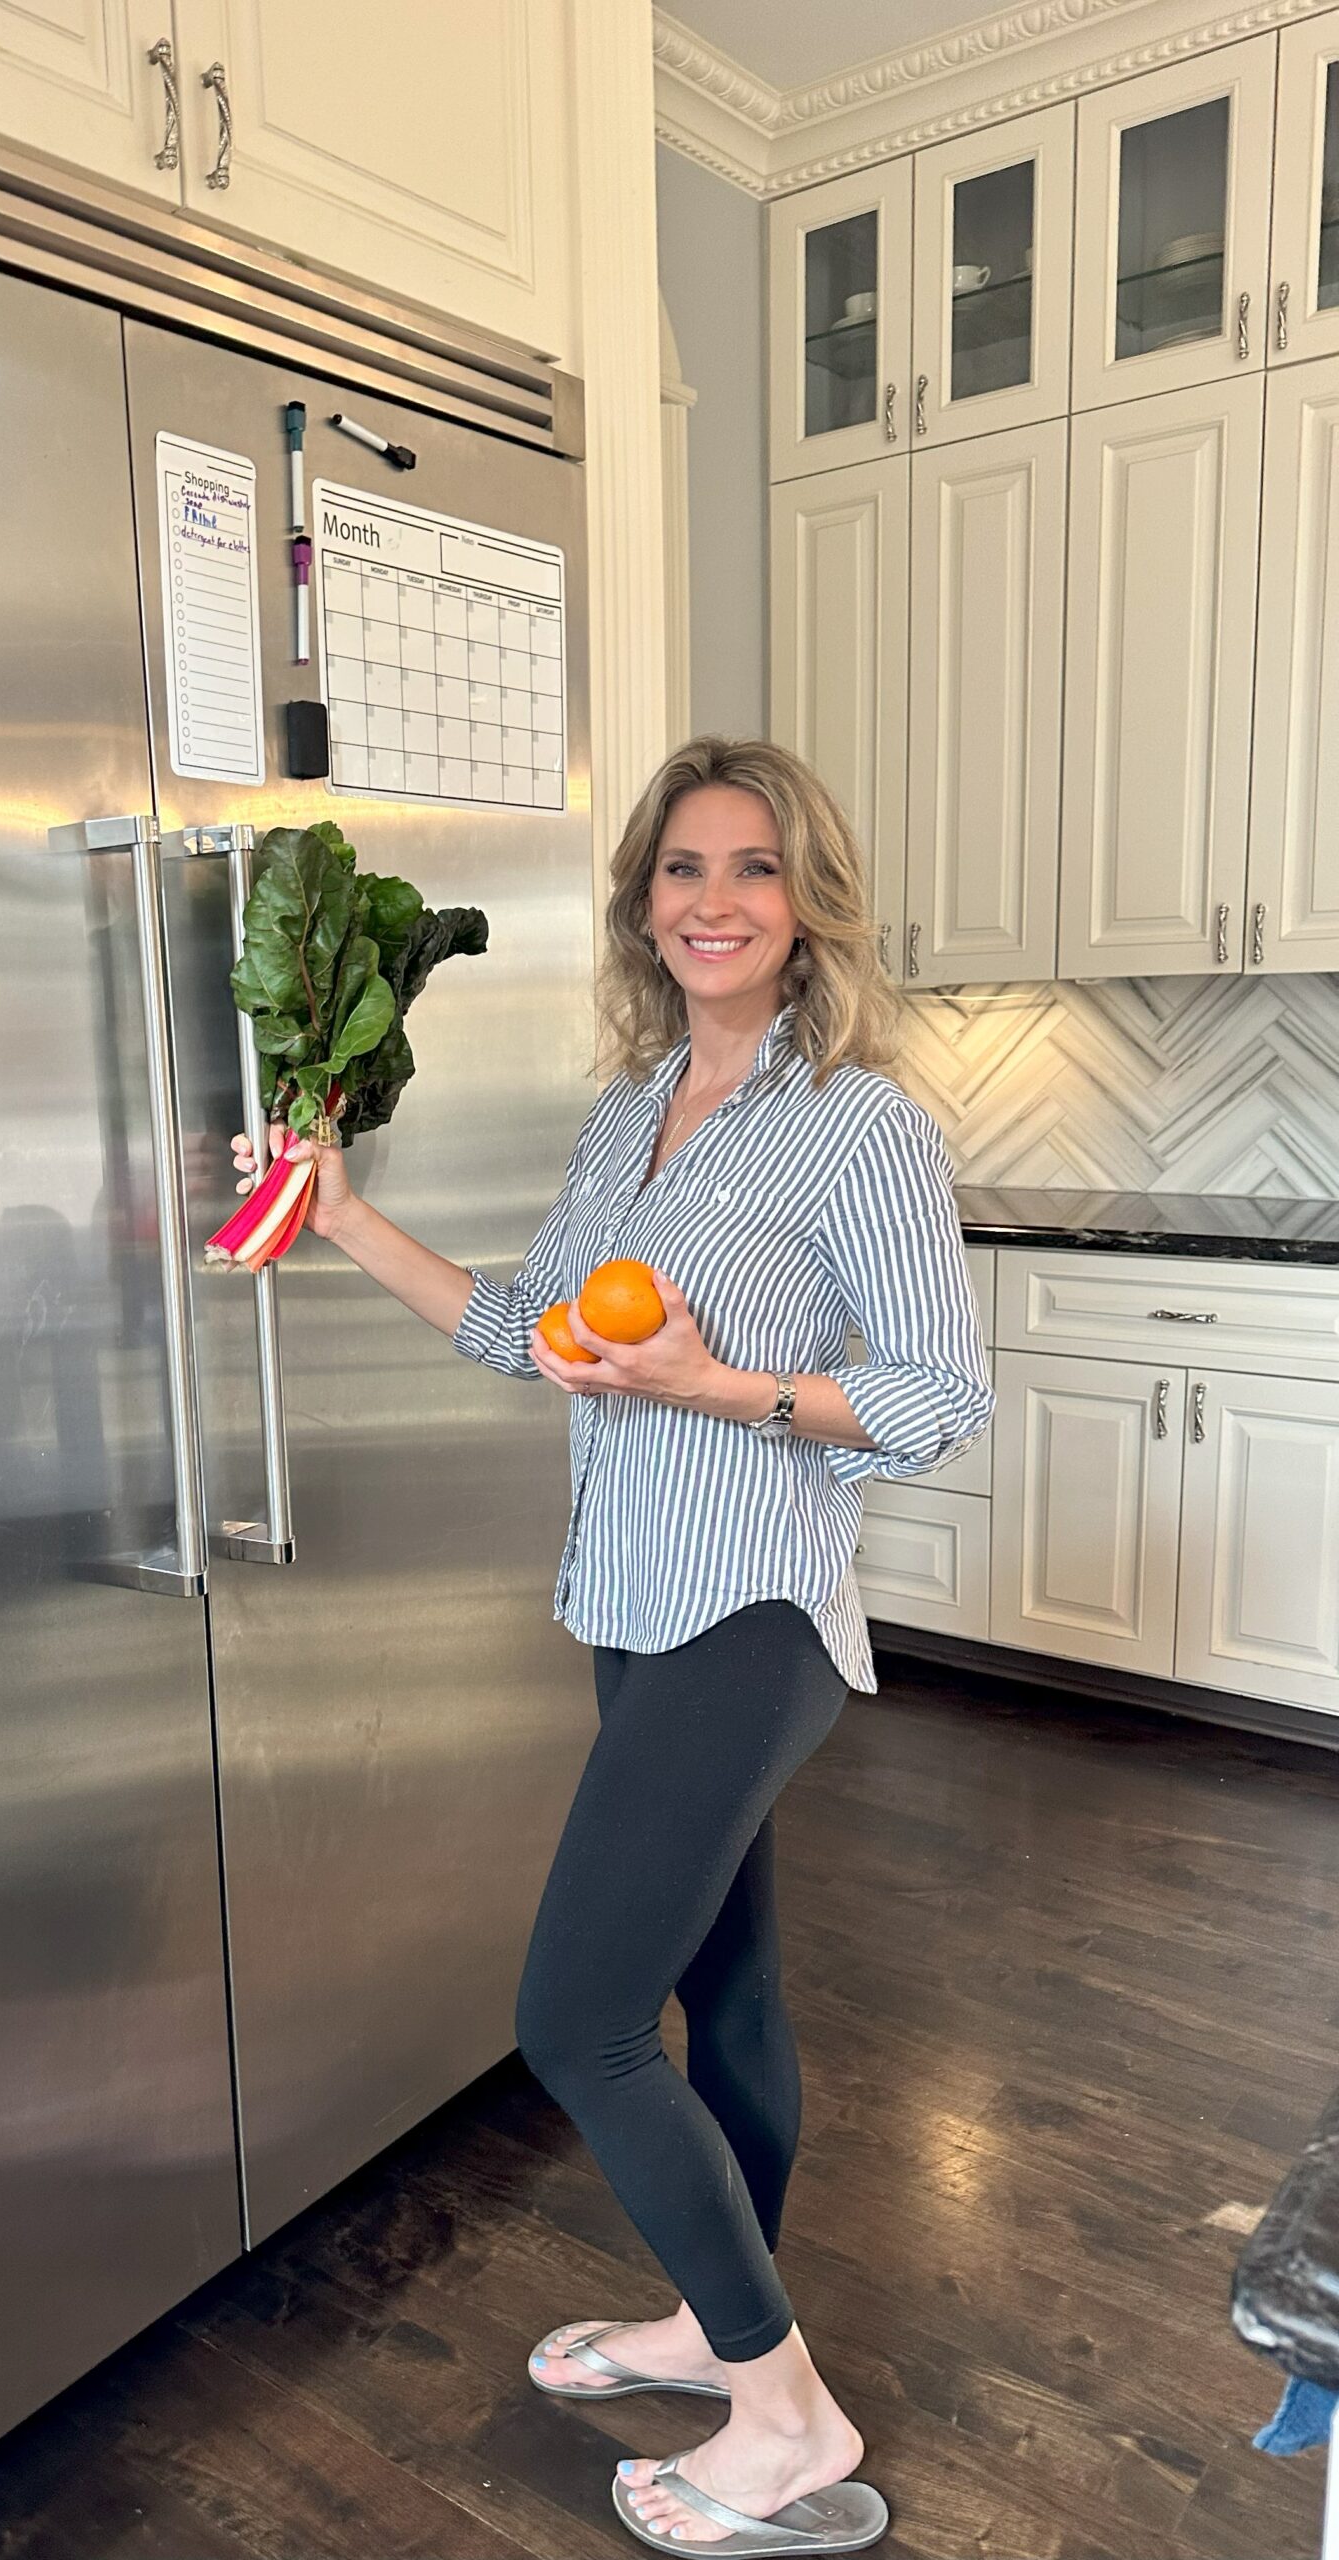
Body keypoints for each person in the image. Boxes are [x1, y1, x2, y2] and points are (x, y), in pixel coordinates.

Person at [229, 736, 993, 2554]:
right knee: (719, 1996)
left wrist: (714, 1380)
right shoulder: (627, 1112)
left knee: (574, 2017)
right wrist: (340, 1218)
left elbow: (939, 1396)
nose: (712, 902)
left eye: (750, 869)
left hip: (750, 1611)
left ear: (808, 903)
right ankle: (732, 2336)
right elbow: (528, 1330)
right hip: (630, 1601)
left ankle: (787, 2411)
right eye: (680, 870)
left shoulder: (859, 1123)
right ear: (644, 904)